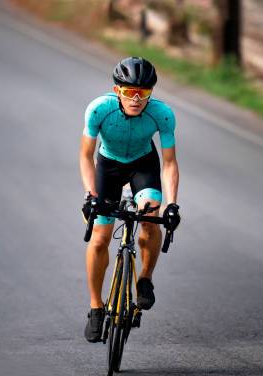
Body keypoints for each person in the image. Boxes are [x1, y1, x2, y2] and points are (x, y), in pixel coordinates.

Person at [79, 57, 180, 343]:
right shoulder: (99, 109)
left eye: (143, 93)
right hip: (108, 165)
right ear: (116, 90)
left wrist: (172, 203)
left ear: (151, 93)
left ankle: (145, 278)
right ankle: (96, 308)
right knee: (100, 236)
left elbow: (170, 163)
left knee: (150, 215)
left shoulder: (162, 114)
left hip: (142, 163)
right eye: (128, 92)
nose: (136, 99)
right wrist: (91, 195)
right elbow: (86, 155)